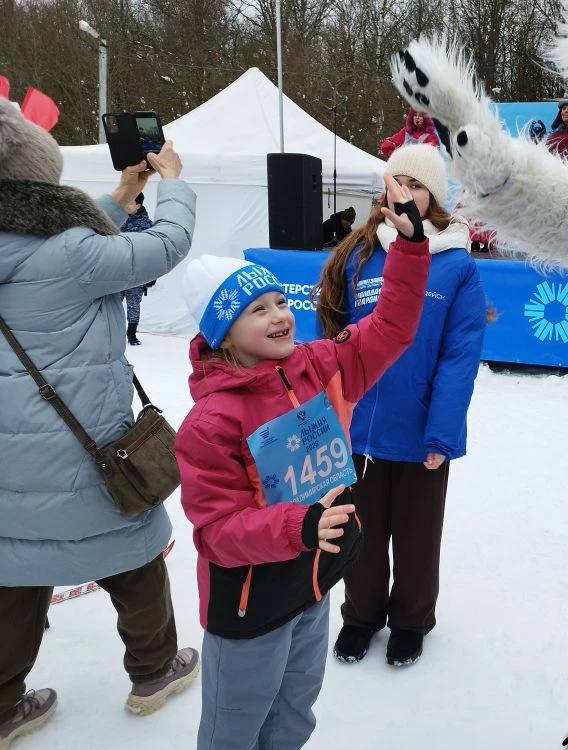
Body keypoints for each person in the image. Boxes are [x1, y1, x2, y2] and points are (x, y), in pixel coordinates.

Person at [174, 173, 430, 750]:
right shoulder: (211, 423)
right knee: (235, 727)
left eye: (279, 301)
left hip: (314, 583)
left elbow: (391, 328)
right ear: (223, 335)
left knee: (295, 711)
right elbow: (215, 533)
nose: (278, 315)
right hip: (250, 603)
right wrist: (300, 525)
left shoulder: (320, 365)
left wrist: (412, 251)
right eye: (255, 310)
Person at [0, 99, 198, 749]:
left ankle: (3, 705)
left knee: (16, 571)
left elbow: (55, 246)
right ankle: (153, 673)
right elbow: (164, 246)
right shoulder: (75, 253)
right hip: (86, 456)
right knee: (135, 556)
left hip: (11, 463)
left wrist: (120, 194)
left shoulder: (32, 244)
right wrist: (171, 181)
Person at [315, 144, 487, 667]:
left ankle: (411, 621)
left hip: (420, 433)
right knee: (357, 530)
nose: (403, 194)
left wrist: (441, 433)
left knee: (416, 537)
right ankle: (360, 616)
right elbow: (336, 339)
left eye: (414, 186)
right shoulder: (360, 254)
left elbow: (459, 357)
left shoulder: (457, 265)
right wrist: (329, 414)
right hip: (360, 428)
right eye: (395, 183)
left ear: (432, 197)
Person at [121, 192, 154, 345]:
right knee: (112, 303)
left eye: (131, 202)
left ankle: (132, 334)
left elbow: (152, 253)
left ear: (138, 205)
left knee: (133, 304)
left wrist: (151, 275)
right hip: (117, 270)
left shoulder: (147, 225)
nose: (127, 205)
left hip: (137, 274)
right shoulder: (117, 220)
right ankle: (112, 332)